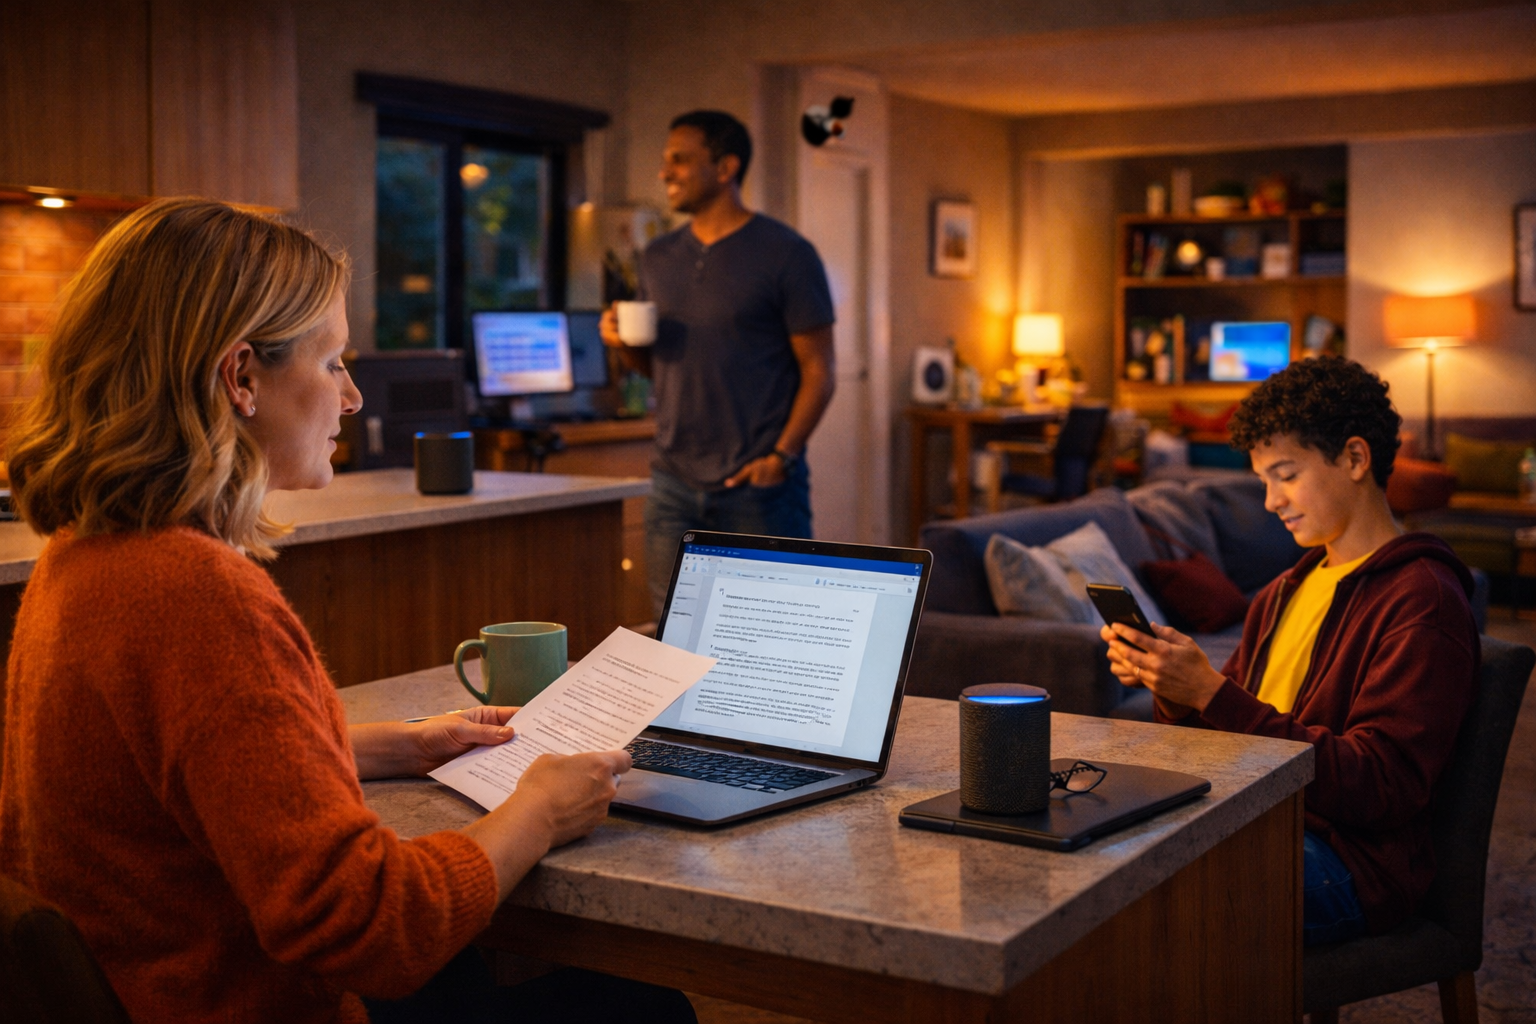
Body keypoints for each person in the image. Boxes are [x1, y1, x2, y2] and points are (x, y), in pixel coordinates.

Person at [0, 198, 695, 1024]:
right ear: (241, 377)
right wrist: (539, 811)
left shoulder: (86, 554)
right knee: (645, 1009)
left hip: (151, 984)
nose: (355, 397)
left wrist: (390, 744)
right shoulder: (196, 596)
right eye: (333, 363)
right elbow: (370, 927)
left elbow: (175, 773)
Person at [1099, 356, 1478, 946]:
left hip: (1347, 860)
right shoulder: (1283, 592)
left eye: (1286, 475)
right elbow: (1220, 746)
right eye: (1263, 482)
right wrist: (1174, 689)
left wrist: (1212, 694)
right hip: (1256, 815)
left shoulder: (1421, 599)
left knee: (1131, 894)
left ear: (1355, 459)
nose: (1271, 501)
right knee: (1090, 849)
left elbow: (1381, 786)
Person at [601, 110, 837, 611]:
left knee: (771, 634)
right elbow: (663, 369)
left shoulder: (787, 254)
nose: (665, 172)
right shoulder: (657, 257)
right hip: (672, 483)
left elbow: (820, 371)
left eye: (680, 160)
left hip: (759, 488)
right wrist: (621, 342)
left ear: (726, 167)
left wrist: (781, 458)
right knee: (674, 637)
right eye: (665, 160)